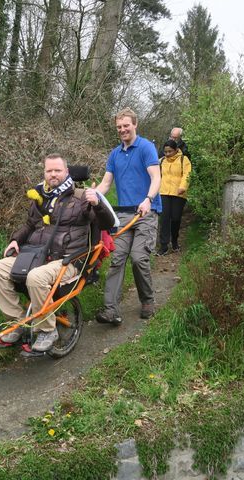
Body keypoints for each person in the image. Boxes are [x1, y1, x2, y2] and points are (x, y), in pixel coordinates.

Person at [0, 153, 114, 352]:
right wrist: (15, 239)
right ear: (44, 173)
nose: (53, 174)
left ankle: (47, 330)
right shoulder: (41, 197)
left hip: (69, 260)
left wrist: (98, 204)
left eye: (58, 170)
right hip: (38, 255)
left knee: (36, 277)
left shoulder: (82, 198)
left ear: (66, 172)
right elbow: (30, 224)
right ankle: (18, 323)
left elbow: (107, 224)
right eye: (49, 171)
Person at [93, 108, 162, 325]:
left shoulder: (146, 148)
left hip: (146, 212)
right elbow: (106, 183)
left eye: (126, 125)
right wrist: (92, 195)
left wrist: (148, 199)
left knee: (139, 258)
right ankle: (110, 309)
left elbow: (156, 177)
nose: (122, 130)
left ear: (135, 124)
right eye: (119, 127)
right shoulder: (114, 154)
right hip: (122, 215)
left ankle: (148, 300)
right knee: (117, 259)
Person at [156, 139, 191, 255]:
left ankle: (175, 241)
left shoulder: (183, 160)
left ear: (176, 150)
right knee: (164, 219)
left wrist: (183, 187)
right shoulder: (160, 161)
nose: (167, 154)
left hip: (179, 193)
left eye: (170, 151)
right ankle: (164, 246)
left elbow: (187, 174)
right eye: (165, 152)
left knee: (175, 218)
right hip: (164, 192)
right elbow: (155, 175)